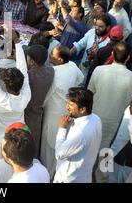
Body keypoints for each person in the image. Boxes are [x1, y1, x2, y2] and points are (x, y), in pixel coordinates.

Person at [0, 29, 31, 182]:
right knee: (13, 169)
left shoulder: (0, 98)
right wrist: (17, 42)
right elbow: (24, 69)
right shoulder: (26, 94)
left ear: (5, 85)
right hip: (17, 140)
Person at [88, 42, 132, 182]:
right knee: (106, 156)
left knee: (89, 154)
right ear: (128, 58)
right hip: (115, 125)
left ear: (112, 54)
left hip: (95, 120)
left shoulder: (99, 70)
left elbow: (89, 94)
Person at [41, 45, 84, 177]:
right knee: (61, 142)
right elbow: (80, 78)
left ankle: (47, 174)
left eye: (52, 55)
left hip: (53, 113)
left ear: (59, 60)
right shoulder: (72, 65)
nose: (50, 56)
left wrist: (40, 105)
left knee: (49, 146)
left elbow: (46, 95)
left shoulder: (54, 73)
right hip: (67, 110)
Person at [53, 87, 102, 183]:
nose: (67, 107)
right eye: (67, 103)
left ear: (83, 109)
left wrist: (62, 128)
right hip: (83, 175)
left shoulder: (81, 133)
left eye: (71, 105)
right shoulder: (96, 119)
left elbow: (59, 153)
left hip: (69, 178)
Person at [23, 44, 54, 158]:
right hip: (39, 112)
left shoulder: (29, 75)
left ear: (31, 61)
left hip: (28, 112)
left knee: (27, 141)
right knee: (35, 139)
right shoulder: (50, 71)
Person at [71, 13, 112, 77]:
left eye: (101, 26)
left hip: (96, 75)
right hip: (82, 72)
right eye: (96, 25)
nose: (97, 28)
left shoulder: (109, 41)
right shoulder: (92, 32)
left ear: (108, 27)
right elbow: (79, 45)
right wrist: (68, 53)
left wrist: (96, 56)